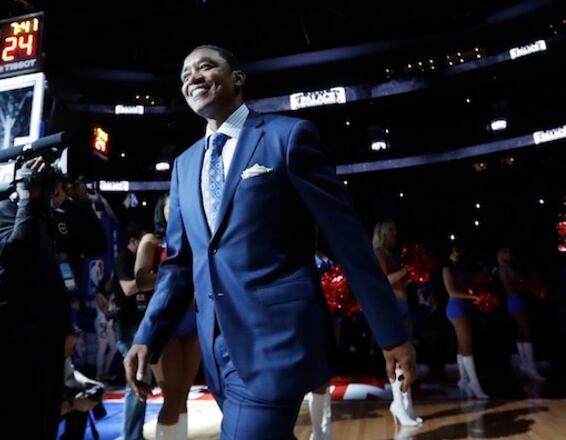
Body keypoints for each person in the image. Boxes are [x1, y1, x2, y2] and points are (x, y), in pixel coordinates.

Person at [124, 45, 416, 439]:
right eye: (184, 74)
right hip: (216, 349)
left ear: (238, 79)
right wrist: (148, 335)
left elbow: (347, 241)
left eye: (204, 67)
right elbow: (180, 265)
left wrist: (391, 332)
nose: (191, 78)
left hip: (278, 340)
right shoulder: (185, 164)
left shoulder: (289, 137)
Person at [0, 157, 71, 439]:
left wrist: (80, 200)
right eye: (54, 193)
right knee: (17, 425)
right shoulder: (1, 213)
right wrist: (27, 201)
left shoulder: (45, 219)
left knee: (43, 424)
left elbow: (93, 243)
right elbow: (14, 252)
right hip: (15, 340)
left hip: (47, 337)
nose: (59, 199)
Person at [134, 195, 200, 439]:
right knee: (172, 396)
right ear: (161, 210)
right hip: (165, 323)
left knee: (182, 394)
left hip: (194, 320)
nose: (174, 211)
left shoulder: (196, 238)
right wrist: (178, 279)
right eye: (170, 207)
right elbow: (140, 279)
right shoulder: (152, 241)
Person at [373, 221, 422, 426]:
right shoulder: (379, 251)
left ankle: (406, 404)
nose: (395, 233)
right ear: (382, 232)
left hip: (403, 303)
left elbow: (399, 280)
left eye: (396, 229)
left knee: (408, 356)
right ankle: (398, 405)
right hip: (392, 305)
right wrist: (407, 271)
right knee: (398, 358)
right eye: (391, 229)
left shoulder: (393, 254)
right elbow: (383, 279)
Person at [112, 225, 152, 440]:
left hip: (140, 327)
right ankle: (131, 436)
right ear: (134, 241)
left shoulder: (141, 262)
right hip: (127, 329)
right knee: (136, 382)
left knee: (141, 381)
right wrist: (155, 279)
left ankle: (135, 434)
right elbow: (128, 288)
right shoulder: (124, 258)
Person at [442, 243, 488, 399]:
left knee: (463, 345)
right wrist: (474, 297)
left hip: (465, 306)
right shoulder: (447, 269)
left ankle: (463, 381)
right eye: (452, 251)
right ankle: (474, 384)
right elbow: (451, 291)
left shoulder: (462, 269)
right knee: (467, 345)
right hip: (456, 308)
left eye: (457, 250)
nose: (456, 253)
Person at [495, 245, 544, 381]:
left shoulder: (512, 267)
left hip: (519, 299)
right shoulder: (503, 269)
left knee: (521, 332)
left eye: (509, 251)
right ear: (500, 255)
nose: (509, 254)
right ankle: (530, 365)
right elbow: (509, 288)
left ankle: (525, 363)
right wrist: (527, 286)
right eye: (505, 252)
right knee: (527, 331)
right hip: (515, 300)